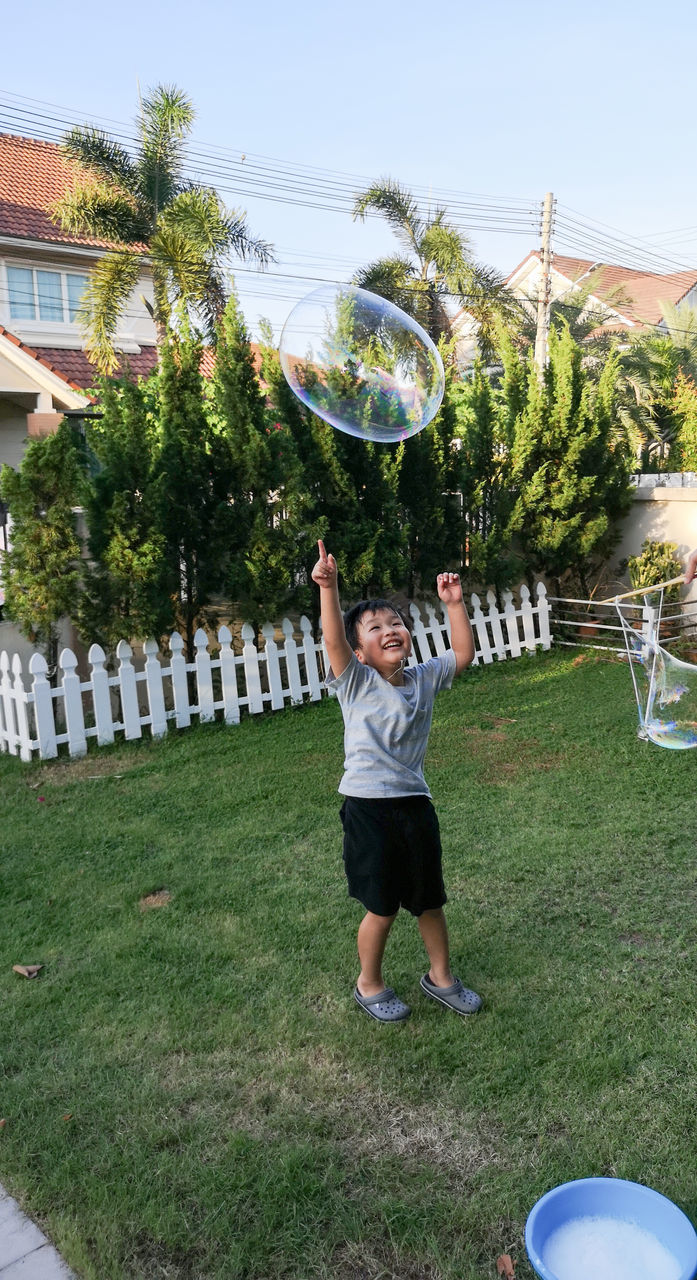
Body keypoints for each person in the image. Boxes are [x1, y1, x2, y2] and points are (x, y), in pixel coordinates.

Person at [311, 537, 482, 1024]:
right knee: (382, 906)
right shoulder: (355, 682)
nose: (391, 630)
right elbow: (331, 640)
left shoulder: (424, 677)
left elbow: (463, 654)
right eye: (376, 627)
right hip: (368, 808)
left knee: (429, 898)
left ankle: (441, 976)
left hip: (414, 805)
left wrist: (454, 604)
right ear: (360, 651)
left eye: (397, 623)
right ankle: (370, 984)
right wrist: (330, 587)